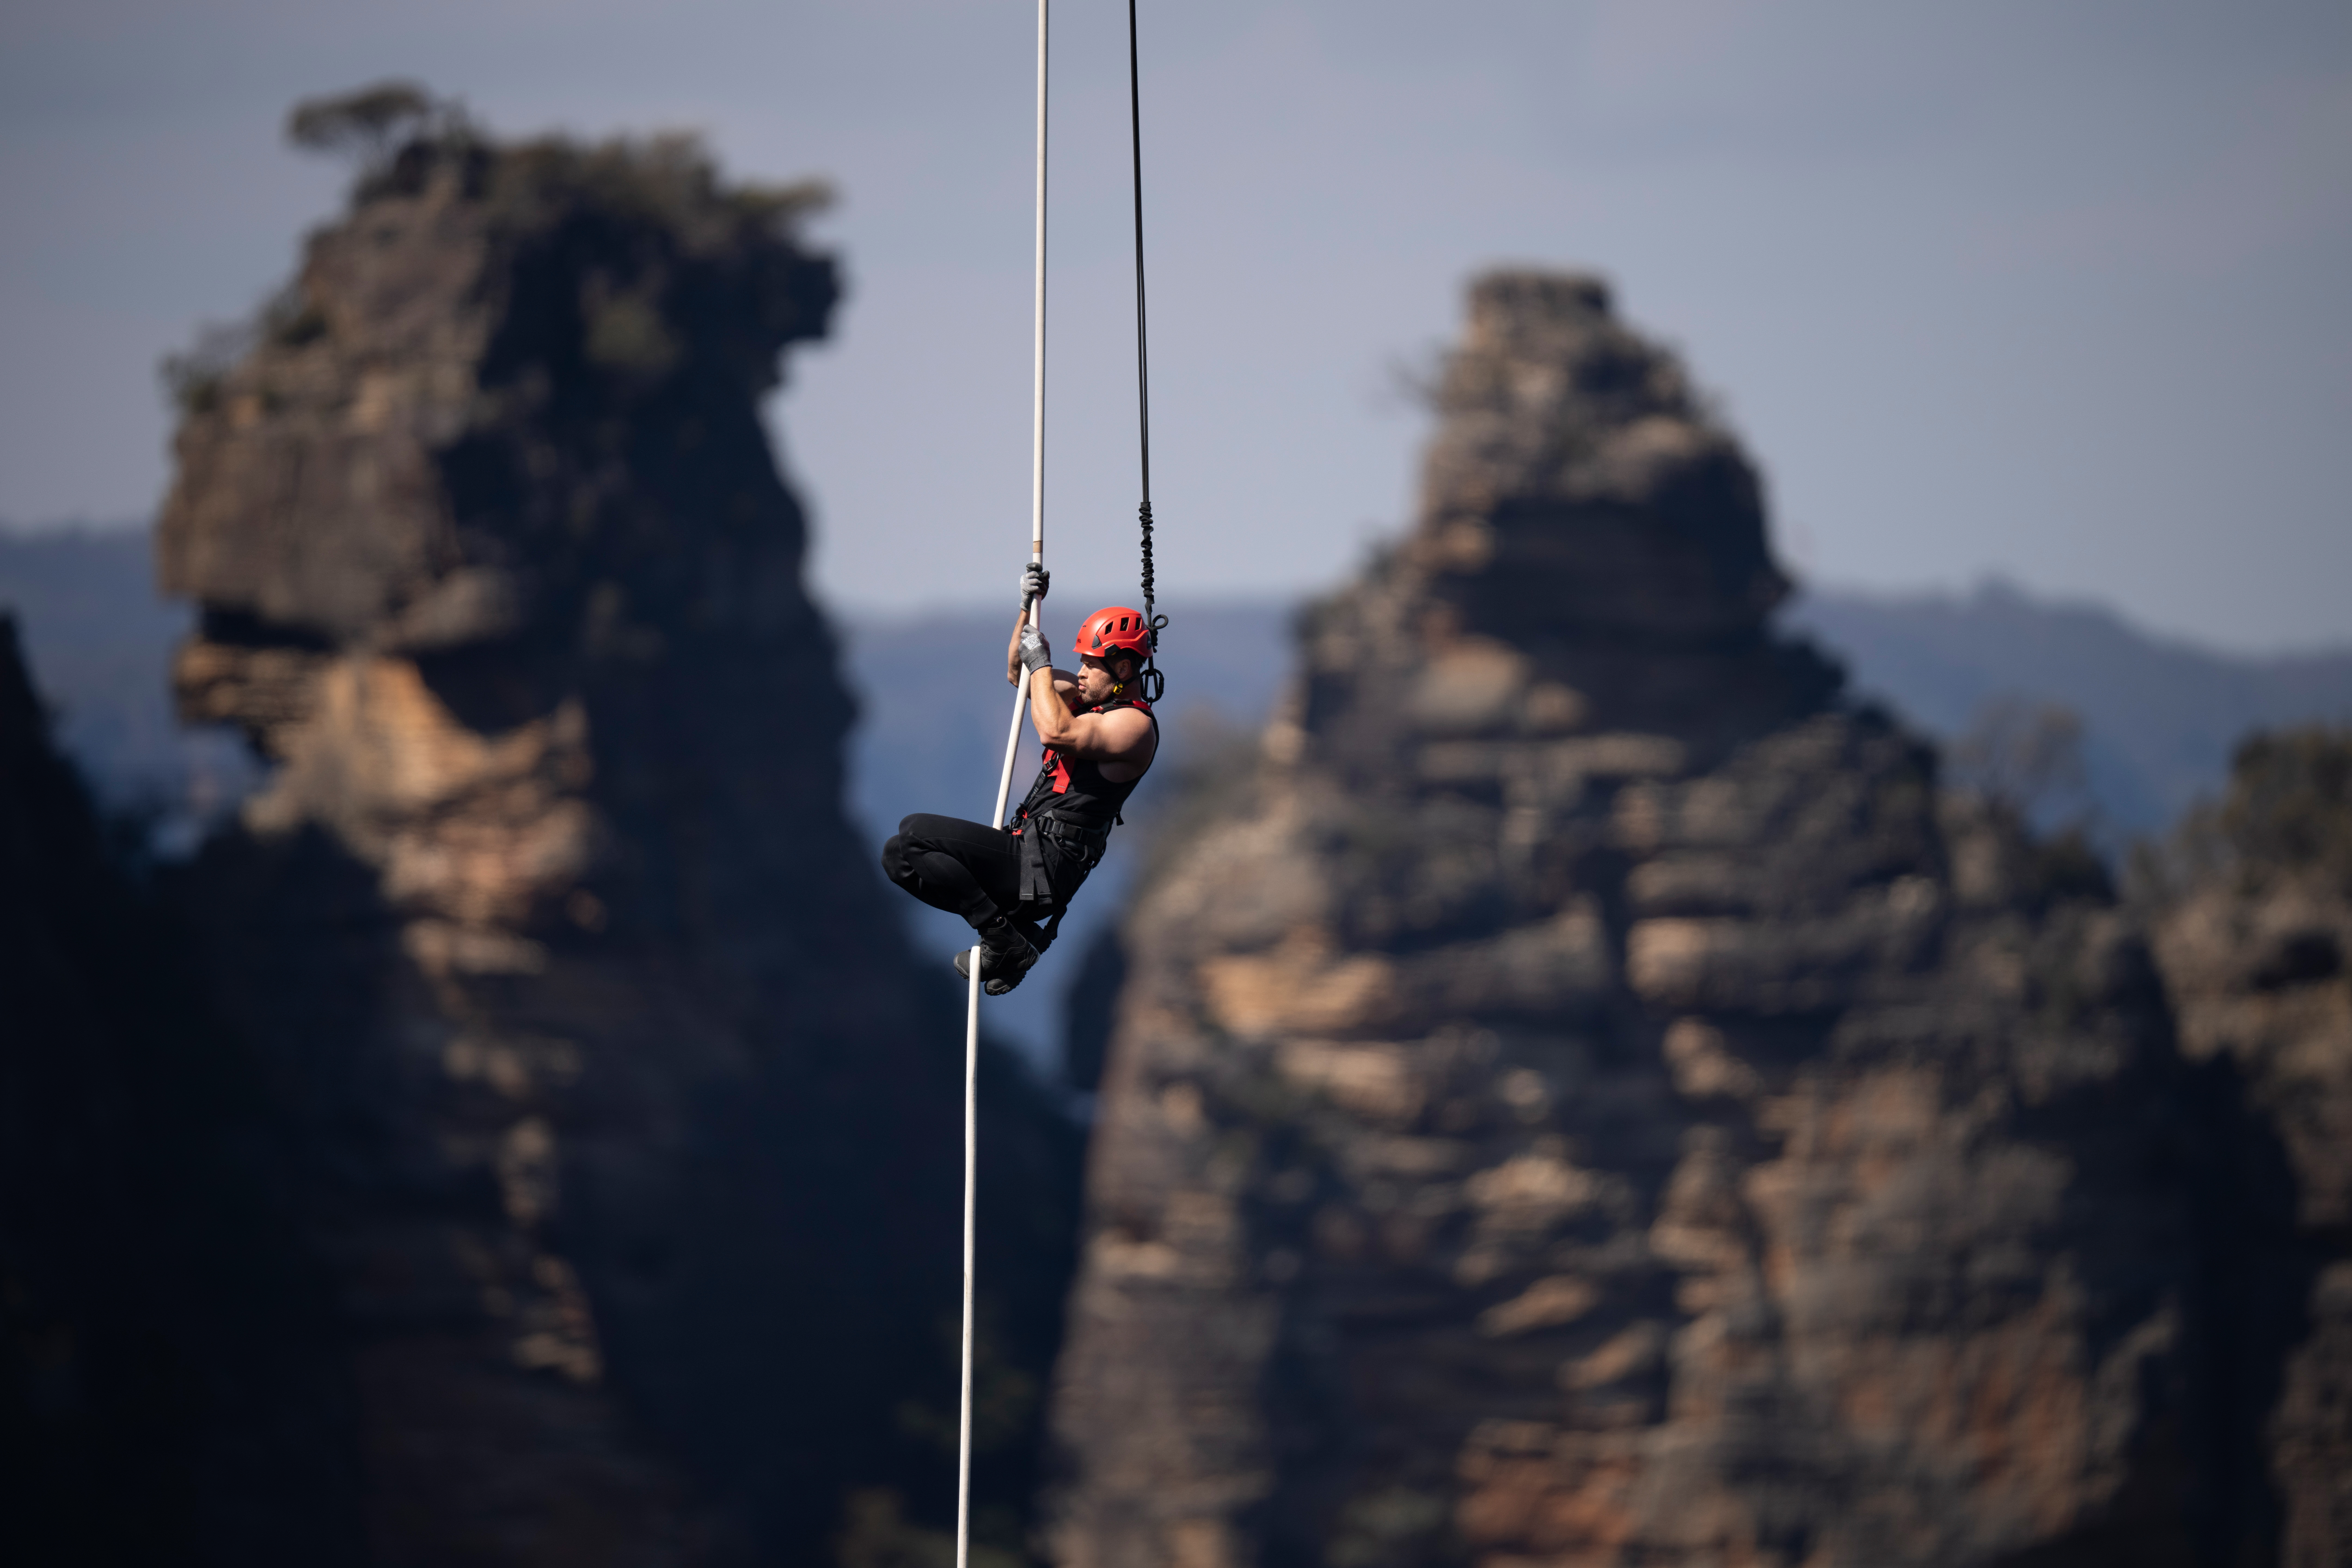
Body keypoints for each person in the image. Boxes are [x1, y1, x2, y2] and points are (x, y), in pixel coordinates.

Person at [881, 565, 1160, 994]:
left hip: (1047, 865)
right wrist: (1027, 609)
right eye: (1081, 663)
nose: (1082, 673)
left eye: (1091, 664)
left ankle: (1002, 940)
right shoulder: (1090, 699)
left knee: (916, 832)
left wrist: (1042, 663)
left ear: (1123, 669)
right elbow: (1020, 675)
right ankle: (1009, 933)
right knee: (898, 856)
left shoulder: (1134, 727)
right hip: (1026, 850)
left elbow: (1056, 732)